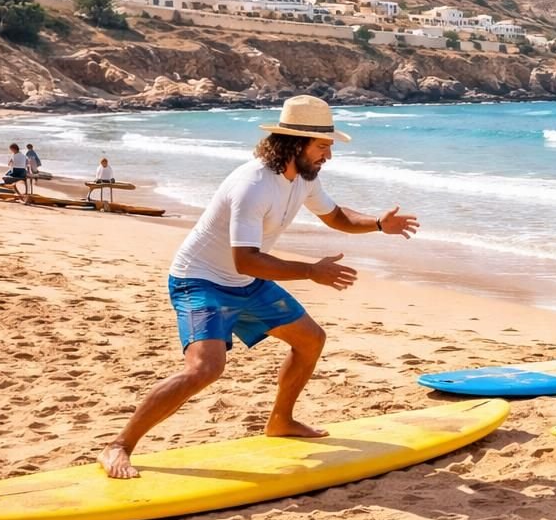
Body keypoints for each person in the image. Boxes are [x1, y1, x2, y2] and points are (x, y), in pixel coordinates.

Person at [98, 95, 421, 479]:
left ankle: (281, 421)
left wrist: (378, 224)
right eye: (322, 147)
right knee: (205, 369)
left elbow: (335, 216)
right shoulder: (252, 185)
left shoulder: (302, 178)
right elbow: (246, 258)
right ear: (295, 144)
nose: (328, 157)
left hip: (246, 282)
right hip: (200, 280)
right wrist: (310, 271)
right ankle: (119, 445)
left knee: (310, 339)